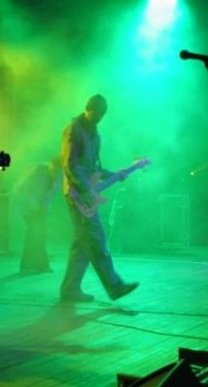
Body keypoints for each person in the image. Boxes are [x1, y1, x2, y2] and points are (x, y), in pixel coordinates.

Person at [59, 94, 139, 303]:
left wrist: (112, 174)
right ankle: (115, 287)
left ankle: (70, 289)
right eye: (99, 113)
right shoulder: (74, 129)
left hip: (83, 193)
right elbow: (69, 164)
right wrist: (85, 190)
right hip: (77, 195)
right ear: (89, 109)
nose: (101, 118)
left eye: (103, 114)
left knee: (82, 245)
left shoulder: (93, 132)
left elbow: (91, 167)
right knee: (96, 239)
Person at [14, 157, 62, 273]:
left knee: (39, 233)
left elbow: (50, 196)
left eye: (58, 171)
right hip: (25, 203)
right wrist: (32, 207)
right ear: (50, 165)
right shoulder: (36, 170)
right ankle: (31, 266)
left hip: (40, 206)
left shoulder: (59, 177)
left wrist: (45, 210)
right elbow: (22, 189)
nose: (55, 173)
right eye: (54, 170)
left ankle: (36, 266)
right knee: (34, 232)